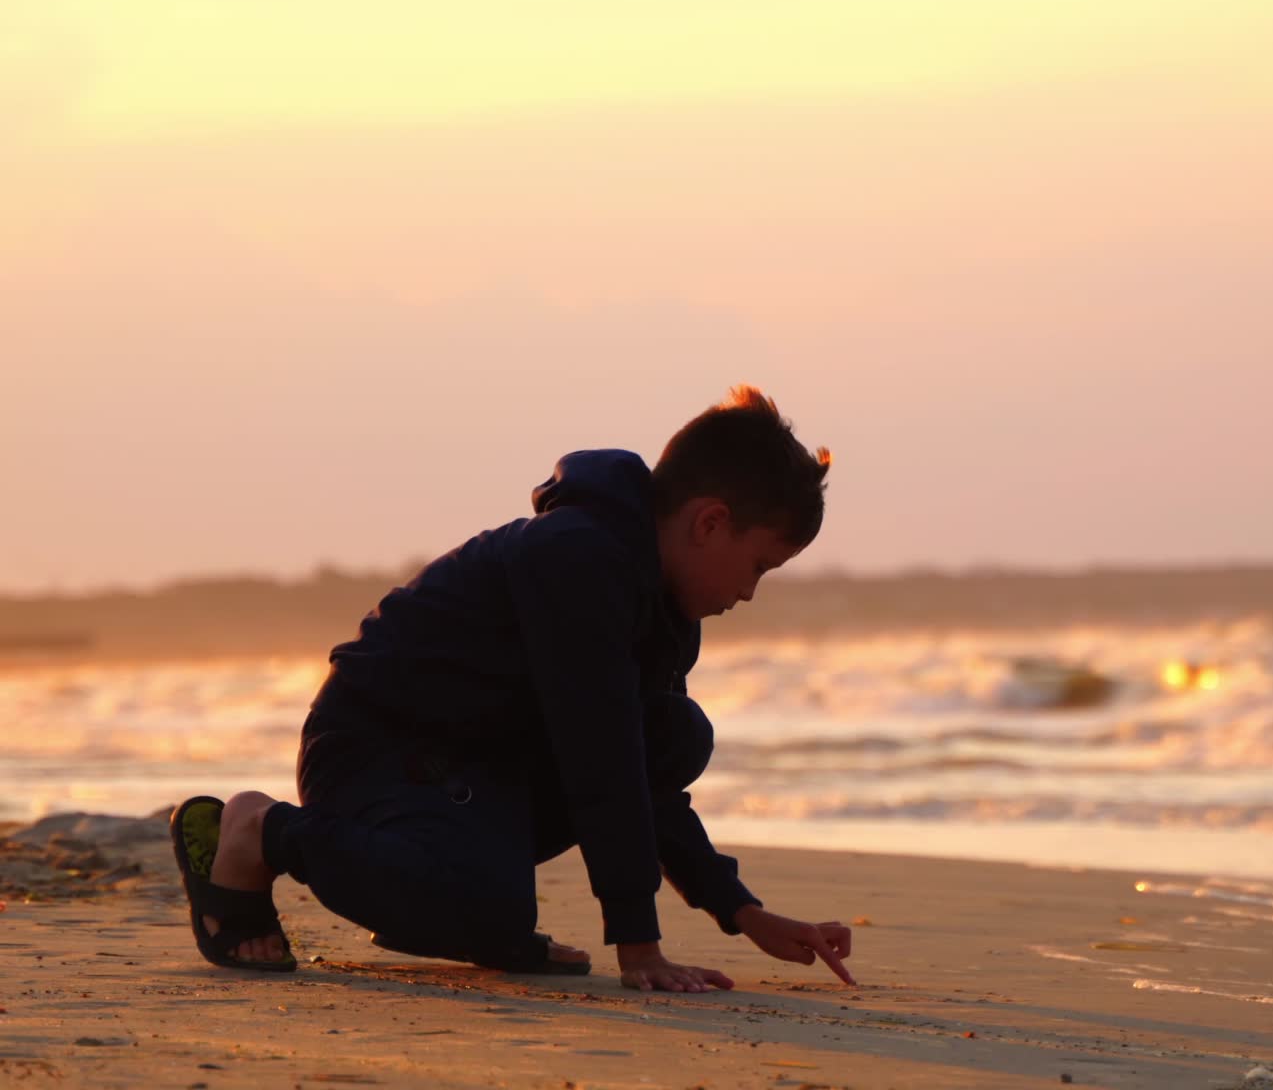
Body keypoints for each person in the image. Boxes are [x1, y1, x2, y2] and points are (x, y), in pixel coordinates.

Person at [171, 386, 854, 993]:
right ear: (710, 523)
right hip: (374, 750)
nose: (748, 592)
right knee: (488, 907)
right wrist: (639, 948)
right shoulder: (578, 559)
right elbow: (601, 759)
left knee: (675, 733)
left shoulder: (663, 609)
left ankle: (471, 906)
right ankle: (262, 830)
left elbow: (644, 778)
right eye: (758, 565)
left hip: (474, 764)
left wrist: (742, 910)